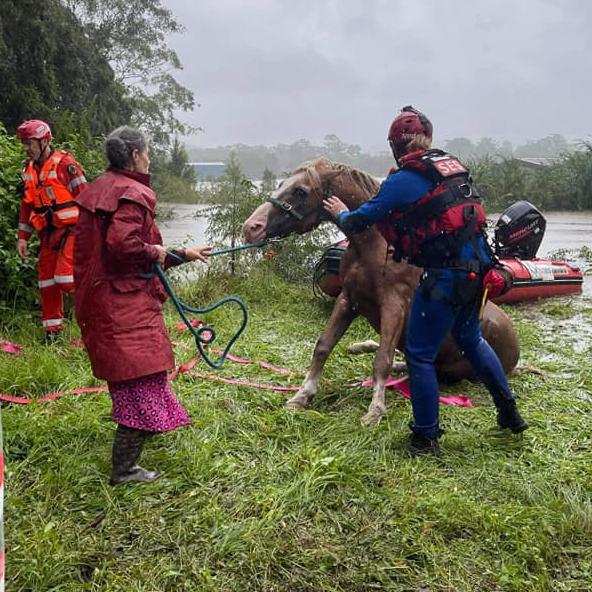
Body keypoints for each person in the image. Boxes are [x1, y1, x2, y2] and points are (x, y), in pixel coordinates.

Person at [323, 105, 528, 456]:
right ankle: (509, 411)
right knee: (471, 338)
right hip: (478, 272)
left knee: (419, 353)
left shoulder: (403, 179)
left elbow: (360, 221)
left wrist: (340, 211)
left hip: (444, 277)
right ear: (428, 139)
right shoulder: (451, 168)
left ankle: (425, 436)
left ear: (395, 146)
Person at [73, 126, 212, 485]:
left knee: (135, 378)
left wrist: (181, 254)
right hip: (123, 303)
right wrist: (162, 252)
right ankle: (124, 470)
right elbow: (125, 245)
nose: (149, 156)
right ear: (135, 154)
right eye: (147, 151)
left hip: (103, 297)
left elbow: (125, 250)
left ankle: (138, 443)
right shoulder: (133, 192)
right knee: (140, 377)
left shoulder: (100, 186)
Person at [16, 119, 88, 342]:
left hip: (73, 231)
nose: (26, 148)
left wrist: (93, 234)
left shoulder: (66, 165)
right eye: (24, 144)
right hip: (48, 234)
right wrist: (22, 238)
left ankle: (96, 307)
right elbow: (27, 205)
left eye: (30, 143)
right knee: (46, 281)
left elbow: (87, 198)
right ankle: (52, 334)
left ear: (44, 141)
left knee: (64, 278)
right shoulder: (28, 170)